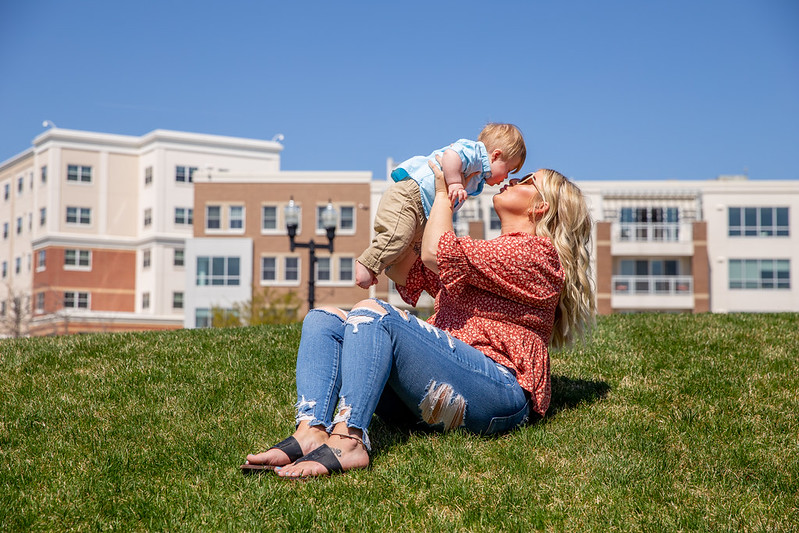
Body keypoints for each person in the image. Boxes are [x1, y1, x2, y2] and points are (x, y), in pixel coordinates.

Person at [241, 158, 595, 479]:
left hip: (497, 394)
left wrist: (443, 193)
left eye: (527, 180)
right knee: (324, 319)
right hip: (439, 390)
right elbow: (404, 266)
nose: (512, 179)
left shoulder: (537, 254)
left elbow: (435, 252)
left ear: (541, 207)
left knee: (371, 312)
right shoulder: (485, 254)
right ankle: (311, 430)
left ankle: (349, 440)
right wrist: (413, 195)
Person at [354, 123, 527, 288]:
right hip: (411, 195)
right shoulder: (475, 153)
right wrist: (454, 183)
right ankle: (367, 264)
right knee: (397, 236)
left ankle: (387, 268)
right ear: (495, 155)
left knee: (408, 248)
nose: (506, 177)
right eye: (508, 170)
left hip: (425, 209)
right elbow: (450, 156)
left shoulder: (479, 176)